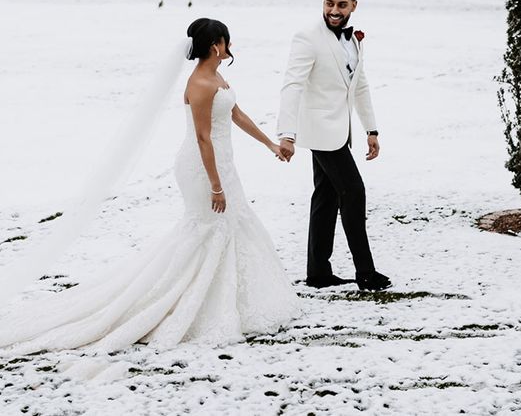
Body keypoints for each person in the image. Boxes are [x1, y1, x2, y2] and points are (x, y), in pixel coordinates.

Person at [0, 18, 299, 357]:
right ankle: (176, 302)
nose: (229, 45)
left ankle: (236, 300)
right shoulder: (201, 82)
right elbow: (202, 138)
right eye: (226, 40)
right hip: (203, 168)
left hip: (222, 164)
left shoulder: (217, 76)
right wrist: (216, 185)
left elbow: (237, 115)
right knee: (206, 231)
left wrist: (270, 145)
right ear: (217, 43)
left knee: (231, 226)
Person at [278, 0, 391, 291]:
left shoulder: (354, 39)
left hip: (341, 131)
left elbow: (360, 84)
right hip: (319, 131)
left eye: (342, 4)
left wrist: (372, 129)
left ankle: (318, 273)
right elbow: (292, 85)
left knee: (325, 198)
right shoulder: (307, 37)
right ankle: (365, 272)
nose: (335, 10)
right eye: (329, 3)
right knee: (353, 192)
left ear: (354, 4)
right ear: (323, 1)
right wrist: (286, 133)